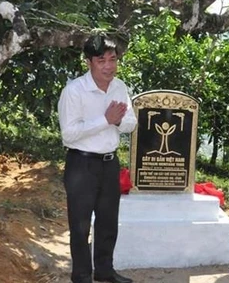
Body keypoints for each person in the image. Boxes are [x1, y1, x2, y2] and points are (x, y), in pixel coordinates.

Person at [58, 35, 137, 283]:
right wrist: (106, 120)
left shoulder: (120, 87)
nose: (108, 66)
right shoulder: (74, 91)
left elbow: (130, 124)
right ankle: (81, 275)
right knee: (80, 225)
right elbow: (69, 135)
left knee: (107, 222)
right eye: (101, 60)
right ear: (89, 62)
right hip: (81, 165)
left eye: (112, 60)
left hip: (109, 163)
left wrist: (118, 119)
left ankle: (104, 271)